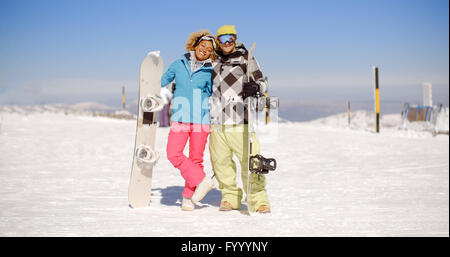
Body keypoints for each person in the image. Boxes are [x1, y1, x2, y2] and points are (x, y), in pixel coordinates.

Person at [209, 25, 271, 213]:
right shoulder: (212, 60)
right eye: (223, 39)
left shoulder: (246, 59)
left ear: (235, 39)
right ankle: (229, 197)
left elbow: (262, 81)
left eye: (231, 38)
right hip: (217, 122)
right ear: (217, 41)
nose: (227, 43)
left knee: (250, 161)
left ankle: (258, 199)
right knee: (221, 163)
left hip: (240, 120)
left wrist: (256, 88)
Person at [161, 30, 216, 211]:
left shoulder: (210, 71)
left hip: (201, 119)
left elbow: (211, 92)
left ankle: (188, 196)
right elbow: (162, 80)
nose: (205, 50)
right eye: (203, 46)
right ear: (195, 45)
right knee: (173, 153)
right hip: (180, 117)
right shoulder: (178, 64)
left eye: (209, 49)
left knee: (195, 159)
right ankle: (202, 180)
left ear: (211, 53)